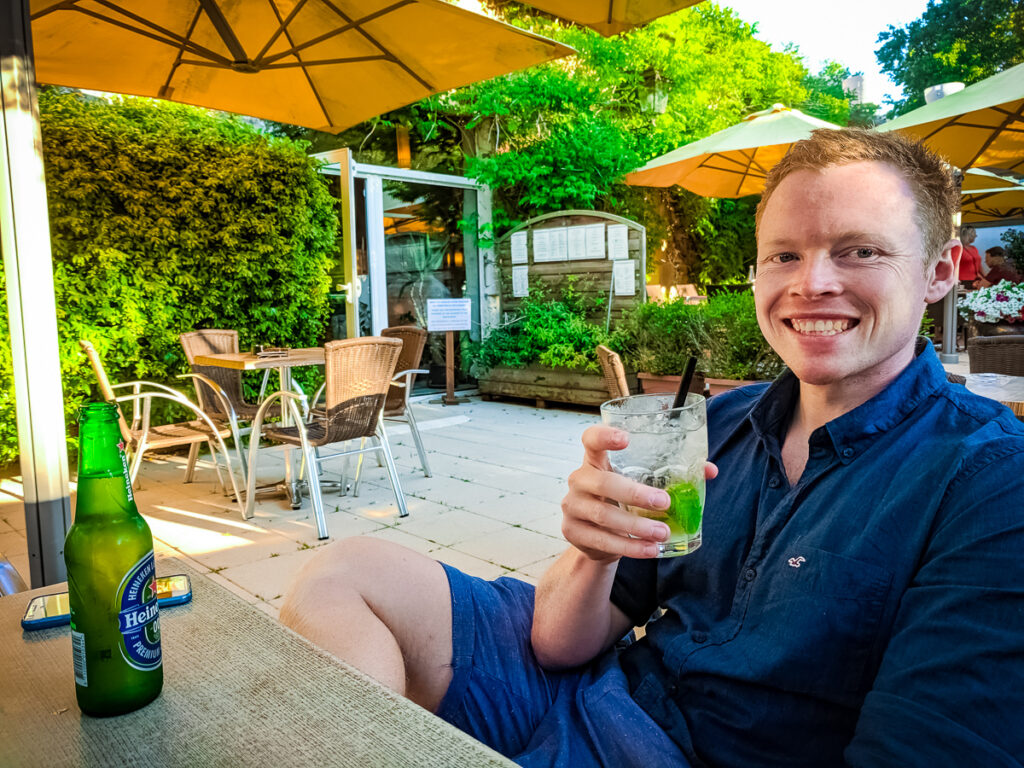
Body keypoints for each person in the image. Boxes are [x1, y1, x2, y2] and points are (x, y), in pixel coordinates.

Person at [280, 130, 1024, 766]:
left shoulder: (989, 479)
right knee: (346, 572)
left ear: (937, 272)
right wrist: (594, 549)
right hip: (593, 694)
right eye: (784, 256)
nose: (812, 284)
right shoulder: (718, 423)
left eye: (859, 250)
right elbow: (559, 644)